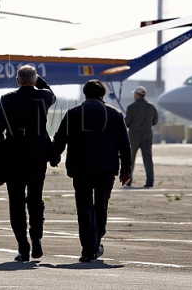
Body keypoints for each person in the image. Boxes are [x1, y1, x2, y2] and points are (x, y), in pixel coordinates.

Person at [50, 79, 131, 262]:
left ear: (84, 94)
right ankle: (95, 241)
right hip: (106, 168)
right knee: (101, 206)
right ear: (102, 94)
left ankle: (89, 248)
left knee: (84, 207)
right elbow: (125, 146)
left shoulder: (73, 113)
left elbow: (60, 138)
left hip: (81, 168)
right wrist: (126, 169)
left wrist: (54, 157)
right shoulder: (115, 114)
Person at [0, 65, 56, 262]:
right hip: (37, 155)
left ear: (17, 81)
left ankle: (23, 246)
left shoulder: (8, 99)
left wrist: (0, 156)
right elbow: (51, 93)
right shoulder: (43, 97)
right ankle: (36, 239)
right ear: (35, 80)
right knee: (36, 198)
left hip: (14, 156)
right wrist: (39, 82)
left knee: (17, 202)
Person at [125, 86, 159, 188]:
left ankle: (128, 181)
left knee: (130, 159)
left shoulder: (131, 107)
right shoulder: (151, 107)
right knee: (147, 158)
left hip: (134, 135)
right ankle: (149, 181)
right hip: (147, 134)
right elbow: (155, 121)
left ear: (137, 95)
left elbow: (127, 123)